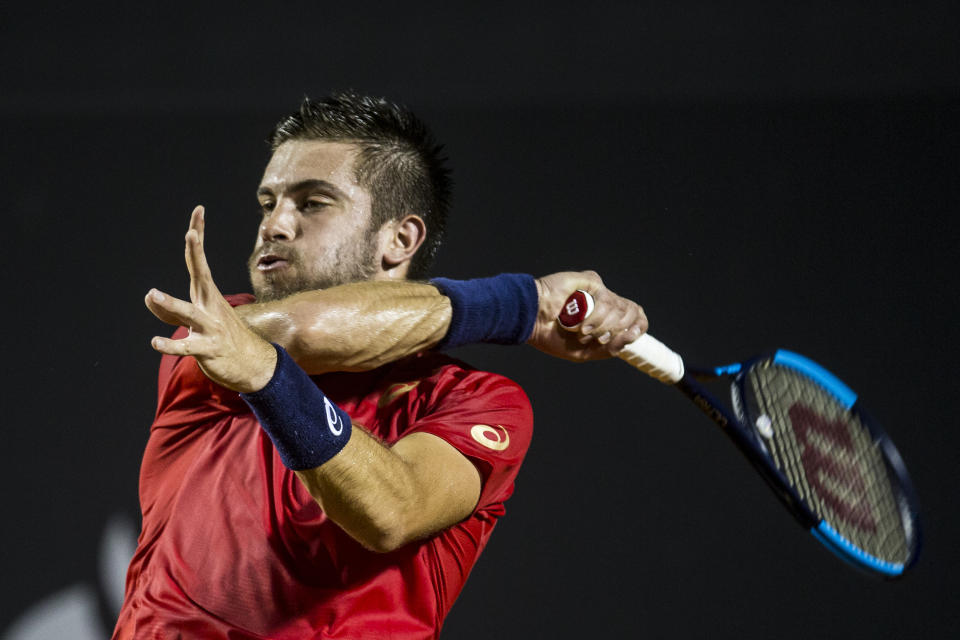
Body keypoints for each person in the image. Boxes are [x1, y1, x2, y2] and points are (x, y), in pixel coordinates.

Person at [113, 92, 646, 639]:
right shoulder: (218, 335)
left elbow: (390, 511)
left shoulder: (479, 401)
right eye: (267, 203)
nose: (274, 224)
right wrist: (522, 306)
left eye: (312, 202)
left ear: (399, 239)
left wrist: (271, 381)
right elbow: (303, 331)